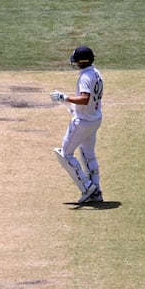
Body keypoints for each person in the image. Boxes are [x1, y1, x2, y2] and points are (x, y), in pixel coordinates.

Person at [51, 46, 104, 203]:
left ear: (81, 62)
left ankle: (87, 187)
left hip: (83, 121)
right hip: (94, 118)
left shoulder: (85, 77)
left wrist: (64, 97)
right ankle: (96, 191)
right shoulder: (96, 73)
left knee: (65, 154)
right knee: (88, 153)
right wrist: (71, 106)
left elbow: (85, 98)